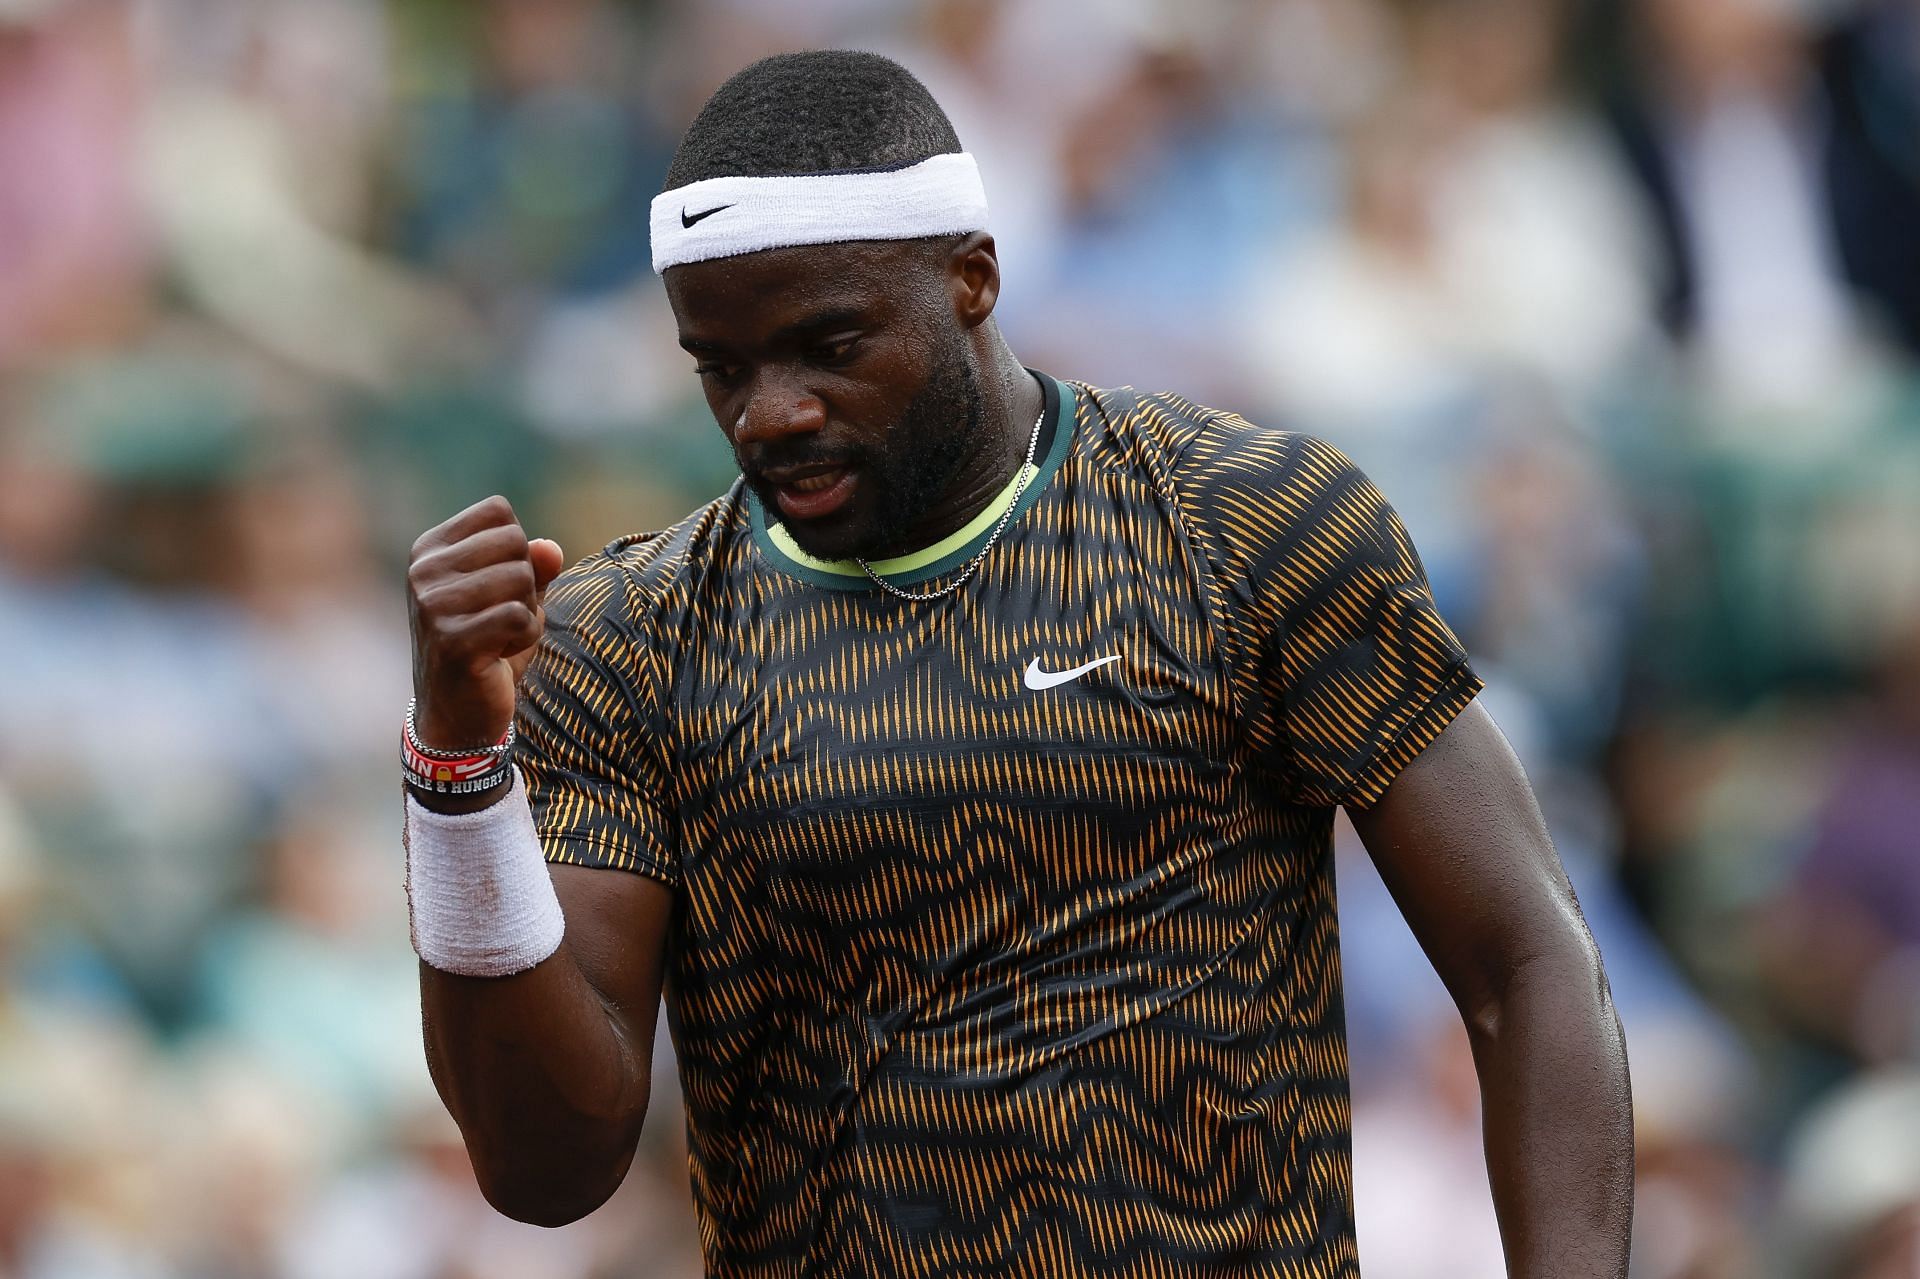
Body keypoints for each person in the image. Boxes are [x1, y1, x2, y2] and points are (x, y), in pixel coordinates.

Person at [401, 50, 1632, 1278]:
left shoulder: (1240, 521)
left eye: (826, 344)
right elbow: (544, 1169)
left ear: (972, 278)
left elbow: (1526, 962)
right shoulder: (632, 636)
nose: (769, 411)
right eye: (721, 367)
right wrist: (457, 767)